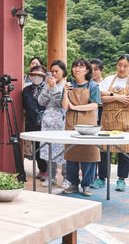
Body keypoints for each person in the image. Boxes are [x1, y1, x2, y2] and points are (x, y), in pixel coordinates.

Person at [99, 54, 129, 192]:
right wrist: (118, 97)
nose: (122, 68)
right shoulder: (108, 79)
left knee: (126, 149)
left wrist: (110, 96)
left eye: (125, 66)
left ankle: (121, 179)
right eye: (119, 65)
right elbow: (100, 96)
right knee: (104, 148)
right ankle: (101, 177)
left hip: (127, 118)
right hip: (108, 117)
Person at [62, 58, 101, 196]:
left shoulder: (93, 86)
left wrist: (77, 107)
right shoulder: (69, 85)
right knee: (71, 154)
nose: (76, 69)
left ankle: (87, 184)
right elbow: (65, 106)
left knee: (88, 154)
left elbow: (95, 104)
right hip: (71, 122)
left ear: (87, 70)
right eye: (74, 66)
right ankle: (73, 183)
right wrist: (65, 92)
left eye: (80, 67)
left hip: (88, 122)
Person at [38, 60, 68, 187]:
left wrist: (54, 86)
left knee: (63, 149)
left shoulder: (66, 86)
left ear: (63, 72)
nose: (54, 74)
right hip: (47, 119)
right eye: (53, 71)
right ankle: (51, 176)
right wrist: (48, 87)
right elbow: (41, 101)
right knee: (48, 148)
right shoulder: (47, 85)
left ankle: (67, 177)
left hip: (61, 119)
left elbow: (58, 102)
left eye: (57, 71)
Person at [23, 65, 49, 181]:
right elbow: (27, 105)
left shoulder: (48, 88)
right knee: (37, 147)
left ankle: (49, 171)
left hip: (47, 122)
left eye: (40, 75)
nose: (37, 77)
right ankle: (42, 170)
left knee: (47, 146)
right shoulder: (26, 90)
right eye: (34, 75)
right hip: (33, 122)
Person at [89, 58, 109, 189]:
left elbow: (104, 99)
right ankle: (91, 176)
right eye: (91, 69)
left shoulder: (106, 83)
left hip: (103, 116)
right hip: (90, 117)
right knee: (90, 147)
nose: (93, 72)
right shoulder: (87, 83)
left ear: (101, 70)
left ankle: (102, 177)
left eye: (96, 69)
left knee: (103, 148)